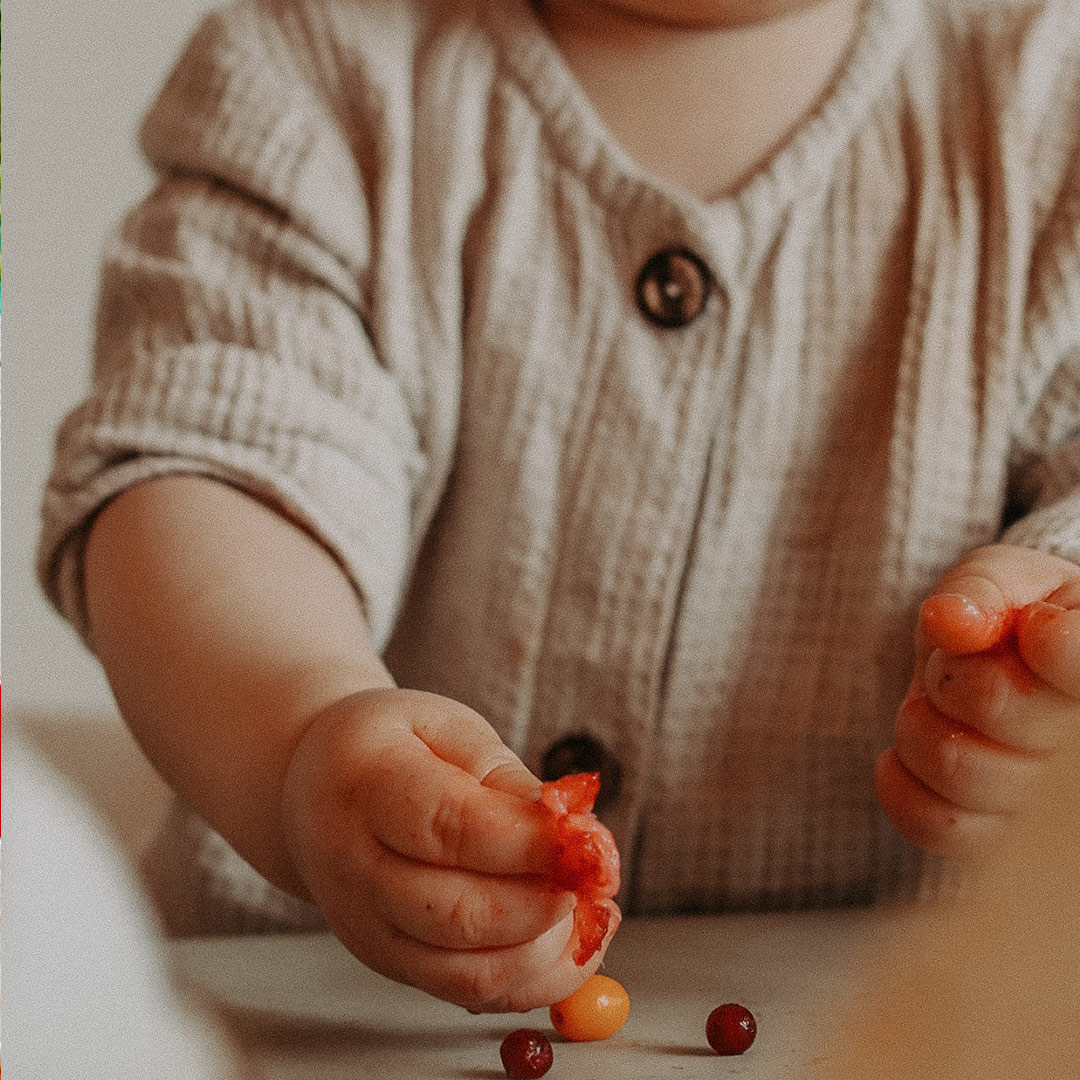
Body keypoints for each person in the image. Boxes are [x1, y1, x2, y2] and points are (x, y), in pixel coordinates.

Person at [37, 0, 1080, 1016]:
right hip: (325, 1014)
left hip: (885, 1025)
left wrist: (1050, 650)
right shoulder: (318, 74)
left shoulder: (1051, 115)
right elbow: (216, 464)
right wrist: (301, 736)